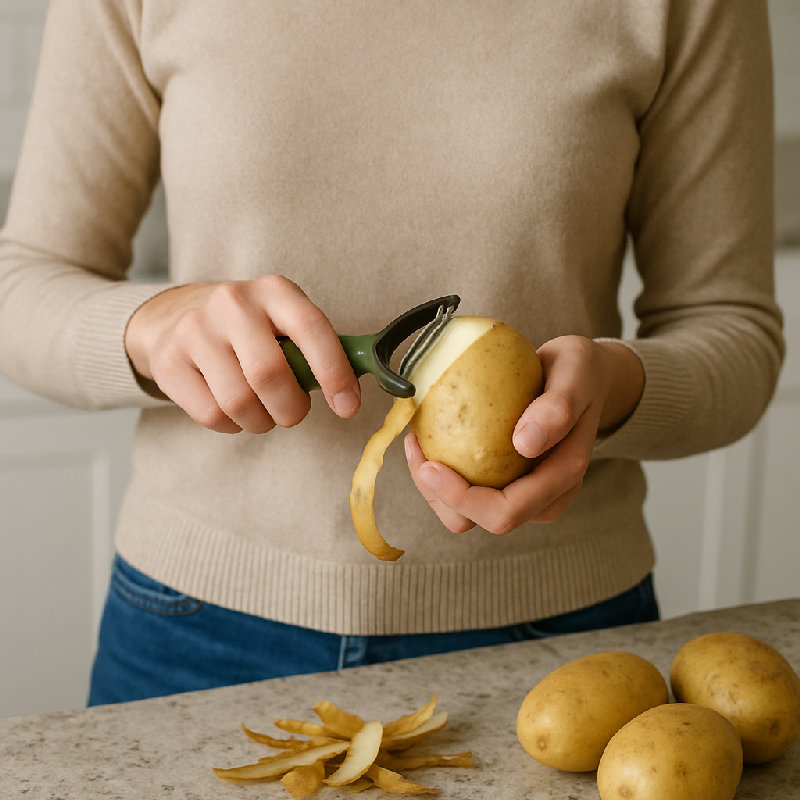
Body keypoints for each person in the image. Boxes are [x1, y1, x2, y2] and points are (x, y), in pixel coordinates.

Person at [0, 0, 783, 705]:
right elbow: (19, 285)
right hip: (195, 630)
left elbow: (733, 330)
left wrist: (613, 390)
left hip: (555, 646)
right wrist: (152, 325)